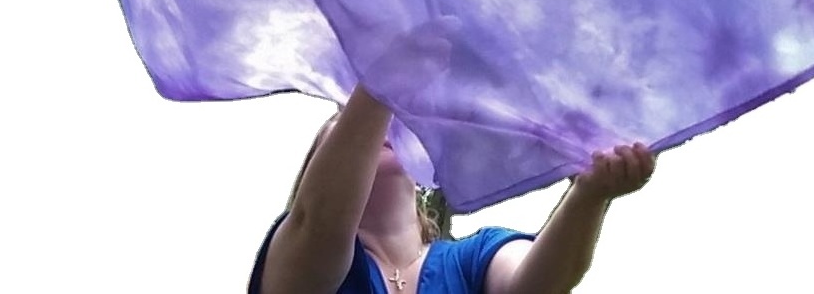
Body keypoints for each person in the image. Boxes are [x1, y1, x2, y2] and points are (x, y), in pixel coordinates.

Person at [248, 84, 656, 294]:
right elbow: (319, 220)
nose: (383, 127)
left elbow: (535, 287)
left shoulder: (472, 258)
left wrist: (589, 196)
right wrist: (381, 79)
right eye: (340, 123)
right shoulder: (302, 247)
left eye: (399, 123)